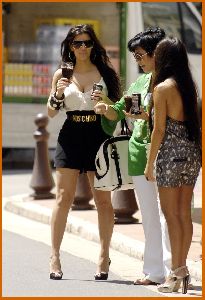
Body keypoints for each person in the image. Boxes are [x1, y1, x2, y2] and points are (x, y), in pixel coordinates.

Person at [93, 27, 171, 285]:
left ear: (155, 53)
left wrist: (147, 117)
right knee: (149, 215)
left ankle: (172, 268)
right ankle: (154, 271)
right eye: (135, 56)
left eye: (139, 55)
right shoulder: (139, 82)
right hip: (139, 152)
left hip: (166, 153)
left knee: (169, 214)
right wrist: (106, 108)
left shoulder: (171, 83)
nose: (137, 60)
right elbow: (119, 110)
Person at [47, 24, 121, 280]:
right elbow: (51, 111)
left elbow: (116, 111)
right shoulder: (62, 73)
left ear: (93, 45)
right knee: (63, 197)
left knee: (102, 200)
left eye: (87, 43)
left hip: (98, 134)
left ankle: (103, 254)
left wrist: (104, 105)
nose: (82, 47)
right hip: (71, 134)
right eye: (77, 43)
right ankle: (55, 256)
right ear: (70, 46)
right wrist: (57, 94)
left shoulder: (106, 73)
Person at [144, 37, 201, 294]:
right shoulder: (190, 87)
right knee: (183, 215)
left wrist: (149, 164)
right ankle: (181, 270)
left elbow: (158, 130)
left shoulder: (162, 88)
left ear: (164, 57)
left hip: (170, 156)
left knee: (170, 216)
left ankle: (176, 272)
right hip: (191, 156)